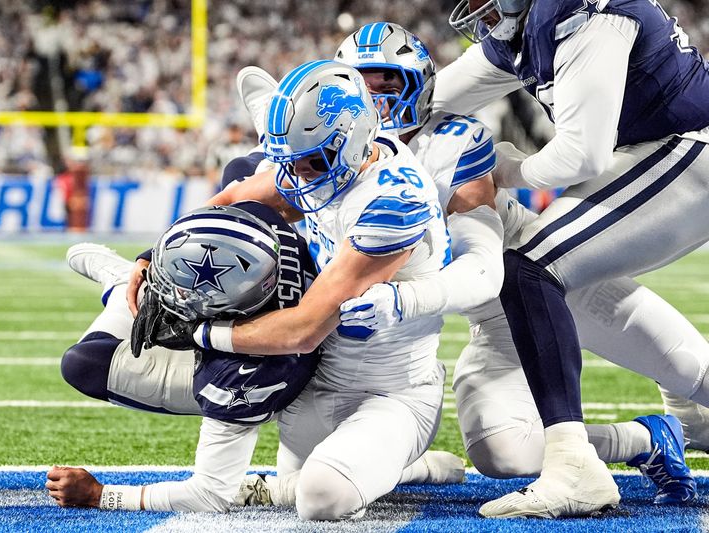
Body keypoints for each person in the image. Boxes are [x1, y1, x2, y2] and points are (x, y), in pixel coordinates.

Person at [333, 21, 701, 505]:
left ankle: (682, 410)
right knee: (500, 452)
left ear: (418, 87)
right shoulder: (320, 163)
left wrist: (406, 298)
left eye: (388, 82)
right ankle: (648, 438)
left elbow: (485, 268)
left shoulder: (452, 142)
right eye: (361, 84)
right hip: (495, 323)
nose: (374, 98)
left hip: (553, 282)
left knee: (698, 376)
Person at [425, 0, 709, 518]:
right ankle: (697, 414)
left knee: (531, 266)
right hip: (656, 149)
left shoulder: (586, 13)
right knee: (554, 272)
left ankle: (573, 467)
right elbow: (426, 99)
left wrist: (505, 170)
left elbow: (583, 155)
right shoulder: (529, 27)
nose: (480, 11)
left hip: (686, 147)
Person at [157, 60, 458, 521]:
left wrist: (200, 332)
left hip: (392, 393)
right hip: (316, 384)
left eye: (312, 160)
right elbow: (229, 202)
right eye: (289, 162)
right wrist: (154, 258)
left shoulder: (393, 200)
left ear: (354, 141)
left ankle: (402, 460)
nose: (298, 175)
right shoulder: (316, 161)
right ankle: (401, 467)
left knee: (320, 497)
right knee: (298, 486)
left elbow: (304, 329)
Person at [45, 201, 321, 512]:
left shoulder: (247, 372)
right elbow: (231, 204)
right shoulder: (265, 226)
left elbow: (209, 494)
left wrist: (100, 495)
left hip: (297, 390)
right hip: (289, 344)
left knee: (84, 365)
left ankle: (123, 287)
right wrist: (148, 258)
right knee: (240, 169)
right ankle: (132, 282)